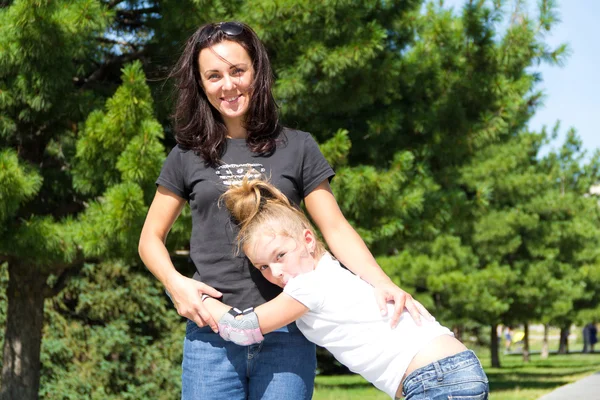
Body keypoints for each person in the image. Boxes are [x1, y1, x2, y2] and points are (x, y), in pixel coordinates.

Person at [138, 21, 429, 399]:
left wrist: (382, 281)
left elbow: (335, 229)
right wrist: (176, 285)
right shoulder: (185, 156)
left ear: (257, 71)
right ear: (201, 84)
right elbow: (149, 239)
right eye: (213, 75)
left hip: (288, 336)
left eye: (237, 71)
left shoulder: (298, 146)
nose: (228, 85)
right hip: (210, 335)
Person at [200, 178, 489, 400]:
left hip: (434, 378)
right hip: (452, 367)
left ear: (309, 240)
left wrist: (199, 298)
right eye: (262, 266)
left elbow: (242, 328)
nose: (275, 272)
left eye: (280, 255)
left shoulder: (309, 286)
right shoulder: (332, 270)